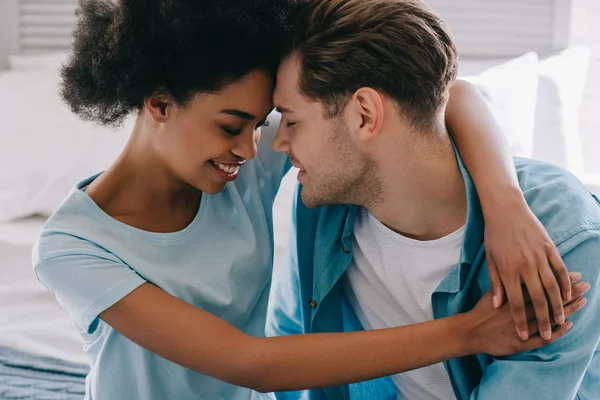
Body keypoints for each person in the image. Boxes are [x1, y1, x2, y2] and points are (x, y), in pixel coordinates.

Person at [32, 0, 585, 399]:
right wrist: (467, 332)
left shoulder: (243, 169)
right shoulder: (72, 246)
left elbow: (451, 94)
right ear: (157, 103)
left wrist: (506, 205)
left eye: (266, 122)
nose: (256, 147)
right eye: (232, 126)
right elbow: (249, 362)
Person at [267, 0, 600, 399]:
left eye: (291, 120)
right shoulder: (323, 203)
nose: (278, 142)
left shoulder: (560, 241)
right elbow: (290, 342)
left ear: (364, 116)